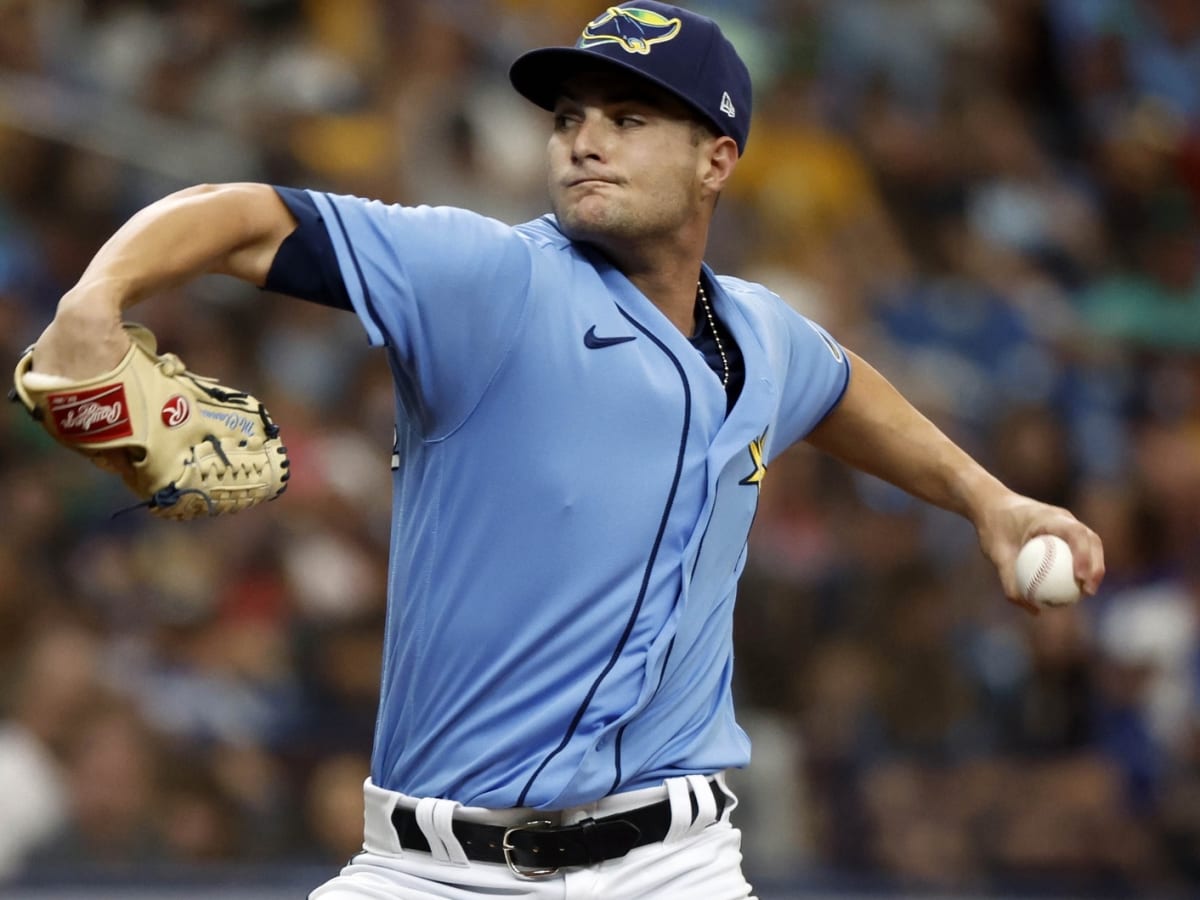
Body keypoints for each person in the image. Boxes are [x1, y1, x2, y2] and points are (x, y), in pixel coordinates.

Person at [26, 3, 1105, 897]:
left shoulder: (764, 333)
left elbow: (838, 388)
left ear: (717, 159)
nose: (585, 137)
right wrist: (97, 297)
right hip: (435, 869)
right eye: (571, 117)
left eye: (630, 117)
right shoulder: (488, 281)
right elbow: (244, 215)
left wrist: (985, 498)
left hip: (675, 863)